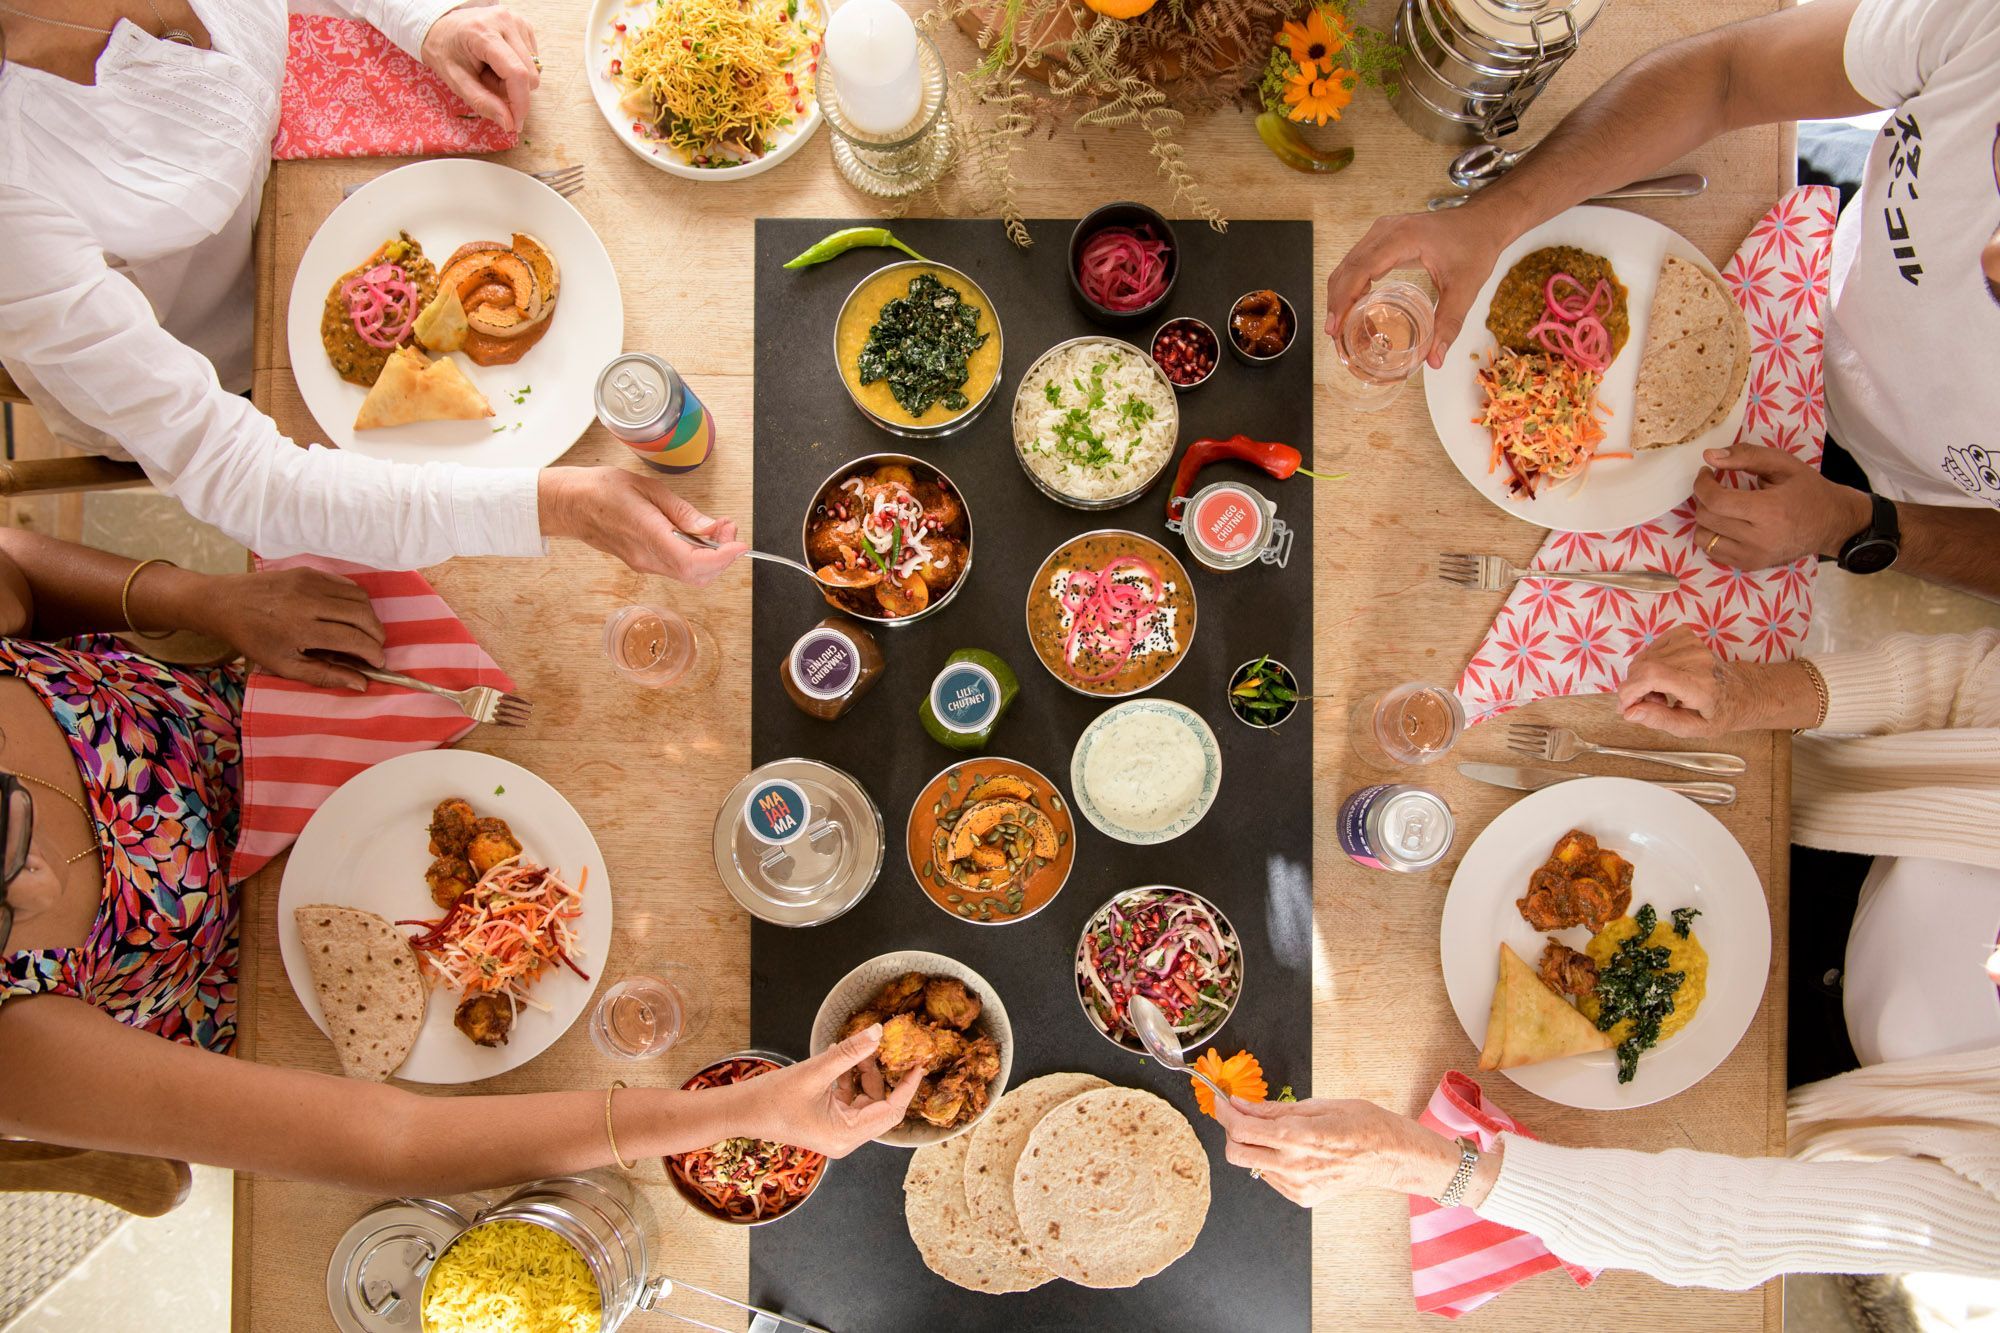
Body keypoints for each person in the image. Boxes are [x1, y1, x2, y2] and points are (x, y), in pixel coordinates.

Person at [0, 528, 913, 1192]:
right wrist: (741, 1111)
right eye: (3, 914)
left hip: (285, 704)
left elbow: (15, 564)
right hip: (267, 1019)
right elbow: (390, 1140)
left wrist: (200, 601)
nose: (37, 882)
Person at [1214, 626, 2000, 1286]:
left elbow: (1739, 1225)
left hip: (1792, 1093)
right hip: (1794, 809)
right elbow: (1967, 679)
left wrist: (1427, 1166)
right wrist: (1754, 695)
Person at [0, 1, 744, 581]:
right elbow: (243, 477)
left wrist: (427, 19)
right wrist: (553, 506)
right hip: (220, 362)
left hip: (307, 183)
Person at [1324, 0, 2000, 599]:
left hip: (1902, 517)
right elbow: (1725, 78)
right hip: (1809, 252)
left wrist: (1856, 523)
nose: (1987, 257)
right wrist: (1492, 218)